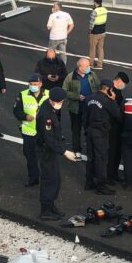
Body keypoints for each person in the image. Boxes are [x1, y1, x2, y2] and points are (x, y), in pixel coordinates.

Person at [36, 88, 79, 220]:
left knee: (55, 179)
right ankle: (45, 210)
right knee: (49, 180)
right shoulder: (47, 114)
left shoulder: (49, 108)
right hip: (47, 151)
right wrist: (65, 152)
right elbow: (49, 139)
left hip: (50, 150)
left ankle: (50, 205)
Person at [82, 78, 122, 195]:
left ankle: (89, 182)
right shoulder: (107, 101)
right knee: (101, 159)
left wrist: (86, 129)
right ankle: (101, 185)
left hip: (90, 131)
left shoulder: (89, 98)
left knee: (91, 158)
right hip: (101, 132)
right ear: (109, 89)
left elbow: (85, 116)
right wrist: (114, 101)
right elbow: (118, 116)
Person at [14, 73, 48, 187]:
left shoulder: (48, 94)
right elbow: (16, 111)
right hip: (29, 131)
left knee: (45, 157)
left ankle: (46, 179)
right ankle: (33, 178)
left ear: (41, 84)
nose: (33, 86)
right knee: (30, 156)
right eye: (31, 84)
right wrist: (25, 116)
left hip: (44, 133)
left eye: (35, 84)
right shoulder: (23, 95)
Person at [63, 57, 99, 155]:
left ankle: (89, 147)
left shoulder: (92, 75)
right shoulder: (70, 77)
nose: (89, 67)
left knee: (90, 129)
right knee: (76, 129)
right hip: (76, 109)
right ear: (80, 67)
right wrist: (77, 96)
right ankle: (77, 149)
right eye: (87, 66)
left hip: (90, 108)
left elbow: (98, 87)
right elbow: (64, 91)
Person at [106, 72, 128, 184]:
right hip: (112, 127)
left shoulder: (114, 91)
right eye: (124, 83)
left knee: (116, 153)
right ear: (119, 81)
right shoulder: (112, 92)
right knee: (112, 153)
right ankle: (110, 175)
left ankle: (113, 174)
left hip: (115, 127)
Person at [88, 0, 108, 70]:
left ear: (95, 2)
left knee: (92, 48)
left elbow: (91, 24)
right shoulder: (105, 10)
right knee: (100, 48)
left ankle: (90, 63)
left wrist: (90, 31)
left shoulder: (95, 11)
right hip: (103, 32)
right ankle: (100, 64)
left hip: (95, 33)